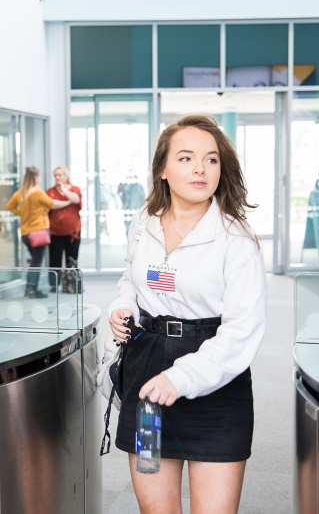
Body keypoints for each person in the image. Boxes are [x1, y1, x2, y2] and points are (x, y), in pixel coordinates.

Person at [107, 115, 266, 514]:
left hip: (216, 385)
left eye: (211, 160)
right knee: (155, 510)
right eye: (186, 158)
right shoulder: (145, 223)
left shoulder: (236, 239)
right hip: (146, 383)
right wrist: (122, 306)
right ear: (162, 168)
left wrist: (182, 377)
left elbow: (242, 331)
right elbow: (130, 277)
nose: (200, 168)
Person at [6, 166, 71, 298]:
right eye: (39, 176)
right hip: (38, 233)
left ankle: (30, 288)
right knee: (36, 264)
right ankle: (31, 289)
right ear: (36, 177)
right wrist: (68, 202)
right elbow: (52, 204)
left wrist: (22, 214)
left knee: (34, 262)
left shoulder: (20, 193)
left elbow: (9, 206)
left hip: (25, 234)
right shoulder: (38, 193)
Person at [46, 166, 82, 293]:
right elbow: (52, 204)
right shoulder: (50, 191)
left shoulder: (74, 189)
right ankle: (53, 285)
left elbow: (76, 199)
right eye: (55, 175)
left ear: (66, 176)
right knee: (54, 260)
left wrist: (64, 191)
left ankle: (70, 285)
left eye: (60, 175)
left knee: (71, 259)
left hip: (73, 232)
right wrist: (68, 202)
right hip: (56, 233)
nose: (57, 177)